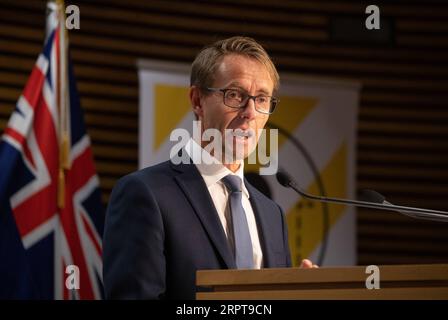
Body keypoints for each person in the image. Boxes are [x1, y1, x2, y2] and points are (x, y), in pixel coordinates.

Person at [103, 36, 316, 300]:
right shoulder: (146, 194)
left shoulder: (273, 214)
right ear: (197, 100)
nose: (250, 112)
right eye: (235, 94)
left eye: (261, 99)